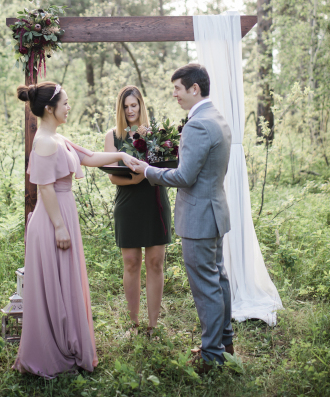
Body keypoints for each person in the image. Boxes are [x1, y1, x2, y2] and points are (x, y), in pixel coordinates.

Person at [13, 81, 138, 378]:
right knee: (55, 285)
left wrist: (121, 156)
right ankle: (53, 352)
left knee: (66, 281)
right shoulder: (43, 141)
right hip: (53, 219)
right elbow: (44, 187)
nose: (69, 107)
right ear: (49, 108)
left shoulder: (57, 137)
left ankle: (69, 345)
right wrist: (59, 227)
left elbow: (90, 158)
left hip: (63, 213)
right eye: (65, 103)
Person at [129, 65, 234, 373]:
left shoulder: (198, 125)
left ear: (194, 89)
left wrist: (147, 170)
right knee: (219, 279)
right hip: (215, 212)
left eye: (177, 88)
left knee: (206, 287)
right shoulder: (216, 118)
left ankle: (212, 354)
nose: (173, 93)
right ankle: (224, 341)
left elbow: (185, 176)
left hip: (199, 217)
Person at [104, 86, 172, 335]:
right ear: (120, 109)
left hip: (154, 201)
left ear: (142, 105)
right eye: (125, 106)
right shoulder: (113, 136)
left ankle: (153, 325)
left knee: (155, 263)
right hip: (128, 202)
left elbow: (168, 167)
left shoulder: (157, 133)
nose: (130, 110)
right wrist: (133, 180)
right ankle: (133, 324)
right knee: (131, 263)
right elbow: (112, 176)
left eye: (134, 105)